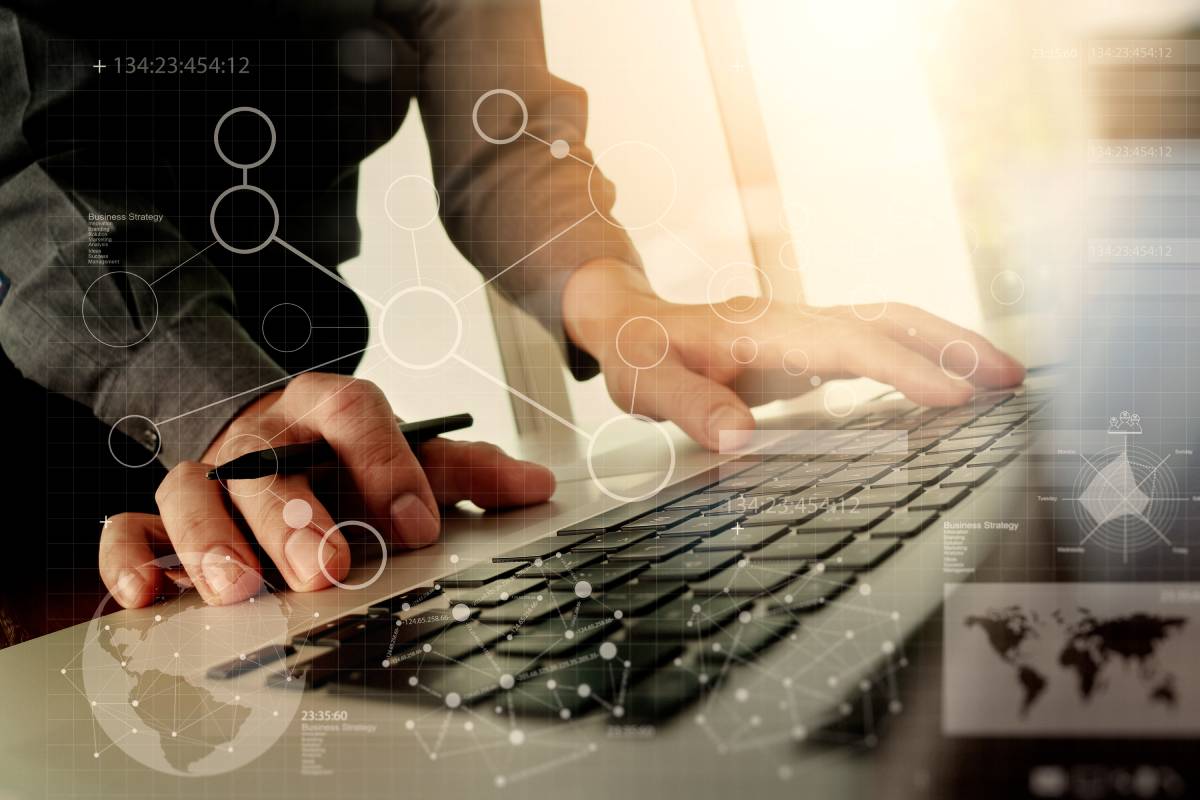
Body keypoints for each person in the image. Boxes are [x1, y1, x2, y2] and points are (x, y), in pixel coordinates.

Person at [0, 1, 1023, 637]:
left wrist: (620, 304)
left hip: (288, 444)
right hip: (43, 492)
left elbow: (505, 134)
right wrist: (213, 398)